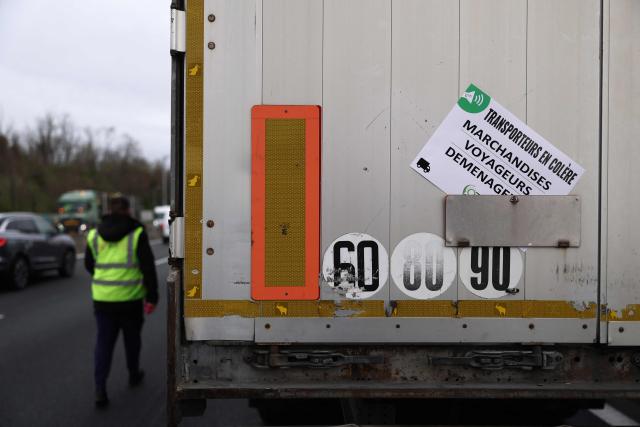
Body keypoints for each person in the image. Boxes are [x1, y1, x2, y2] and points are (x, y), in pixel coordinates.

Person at [84, 195, 159, 407]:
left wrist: (105, 280)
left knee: (103, 344)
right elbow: (148, 267)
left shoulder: (93, 234)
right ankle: (134, 374)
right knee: (132, 339)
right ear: (127, 210)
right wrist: (152, 296)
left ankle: (100, 389)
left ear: (109, 210)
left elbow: (90, 265)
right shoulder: (136, 233)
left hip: (103, 299)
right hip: (130, 299)